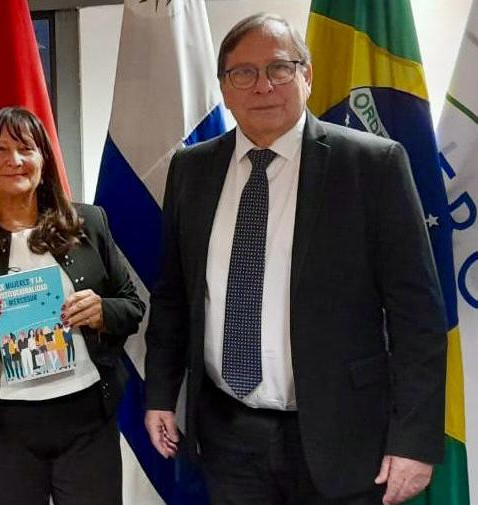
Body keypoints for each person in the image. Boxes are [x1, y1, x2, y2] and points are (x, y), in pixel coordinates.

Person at [143, 13, 447, 505]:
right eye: (243, 72)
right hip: (227, 435)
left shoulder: (372, 165)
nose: (263, 86)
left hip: (342, 434)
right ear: (224, 88)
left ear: (307, 76)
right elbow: (174, 294)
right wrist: (160, 393)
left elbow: (418, 317)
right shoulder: (191, 169)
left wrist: (414, 440)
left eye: (279, 68)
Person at [0, 107, 144, 505]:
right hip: (0, 430)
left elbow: (132, 307)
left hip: (86, 419)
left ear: (44, 159)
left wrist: (103, 312)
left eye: (26, 148)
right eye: (0, 150)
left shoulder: (88, 223)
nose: (15, 160)